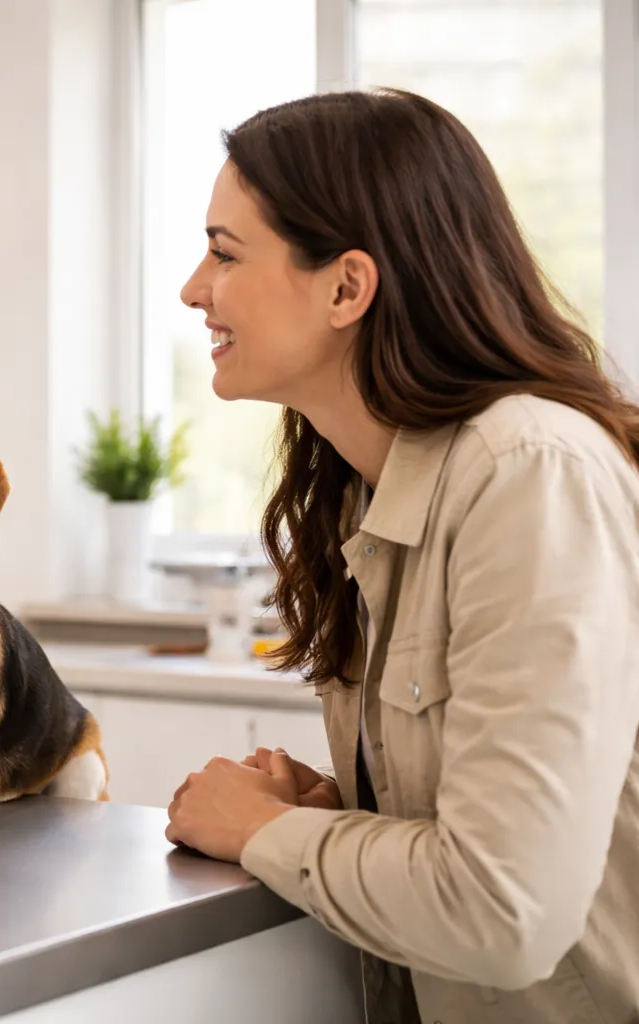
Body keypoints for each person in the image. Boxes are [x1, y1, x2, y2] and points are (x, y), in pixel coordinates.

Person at [164, 89, 639, 1023]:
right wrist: (342, 812)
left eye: (224, 252)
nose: (193, 288)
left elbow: (506, 911)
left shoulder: (529, 474)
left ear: (346, 287)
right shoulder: (363, 492)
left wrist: (267, 827)